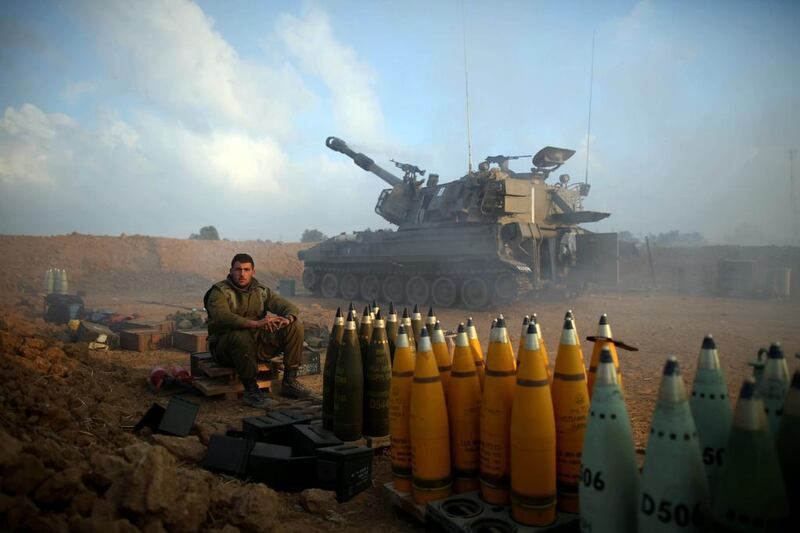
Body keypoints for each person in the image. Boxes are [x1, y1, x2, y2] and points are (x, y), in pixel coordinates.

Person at [205, 253, 311, 408]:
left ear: (253, 272)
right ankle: (251, 391)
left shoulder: (261, 291)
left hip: (256, 346)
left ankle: (289, 381)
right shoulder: (219, 291)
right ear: (231, 270)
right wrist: (255, 324)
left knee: (295, 326)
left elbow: (289, 307)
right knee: (240, 335)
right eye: (238, 269)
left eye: (246, 270)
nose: (242, 274)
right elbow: (222, 317)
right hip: (226, 348)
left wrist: (287, 319)